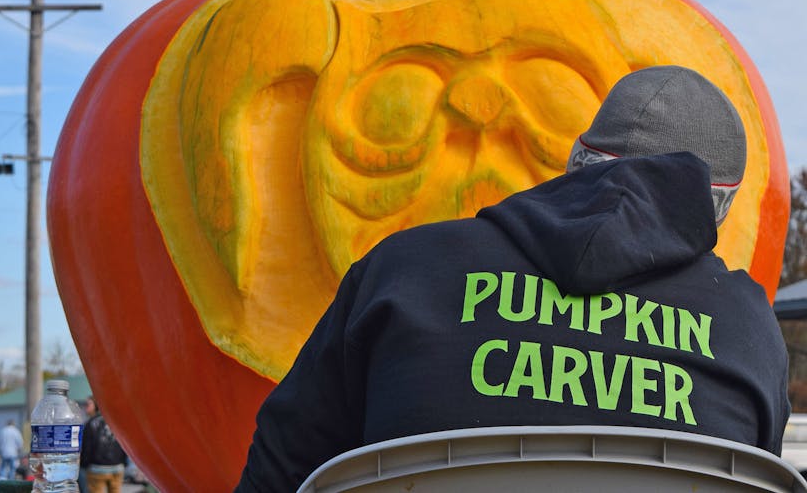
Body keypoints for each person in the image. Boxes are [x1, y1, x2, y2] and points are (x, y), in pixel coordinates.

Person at [235, 65, 791, 492]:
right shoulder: (748, 325)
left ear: (576, 159)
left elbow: (279, 469)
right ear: (715, 209)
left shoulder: (403, 268)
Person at [79, 397, 128, 493]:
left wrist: (83, 464)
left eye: (88, 404)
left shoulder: (90, 423)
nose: (85, 407)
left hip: (97, 468)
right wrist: (124, 462)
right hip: (117, 467)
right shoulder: (117, 422)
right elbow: (125, 444)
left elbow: (87, 447)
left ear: (96, 406)